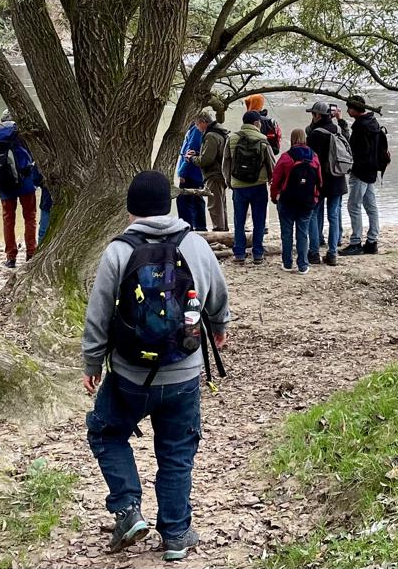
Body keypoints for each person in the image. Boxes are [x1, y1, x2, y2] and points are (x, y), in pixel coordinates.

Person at [81, 171, 230, 561]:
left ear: (132, 209)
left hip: (129, 373)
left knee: (106, 432)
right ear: (169, 205)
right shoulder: (195, 244)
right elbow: (217, 296)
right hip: (184, 372)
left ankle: (128, 510)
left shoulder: (118, 250)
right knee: (177, 452)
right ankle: (177, 535)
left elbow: (98, 313)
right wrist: (220, 328)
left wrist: (92, 361)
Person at [222, 110, 276, 265]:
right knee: (259, 220)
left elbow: (226, 162)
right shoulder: (263, 139)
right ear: (256, 123)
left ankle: (239, 253)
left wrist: (229, 182)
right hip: (258, 186)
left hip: (238, 186)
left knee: (239, 221)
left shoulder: (232, 138)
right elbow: (271, 164)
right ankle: (257, 253)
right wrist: (272, 181)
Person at [0, 111, 42, 268]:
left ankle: (11, 257)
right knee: (30, 217)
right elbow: (33, 156)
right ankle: (31, 253)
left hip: (3, 183)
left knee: (8, 220)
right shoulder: (21, 133)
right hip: (25, 182)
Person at [340, 95, 388, 257]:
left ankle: (355, 242)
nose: (347, 111)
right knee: (371, 206)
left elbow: (354, 150)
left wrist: (353, 167)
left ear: (354, 109)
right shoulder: (373, 123)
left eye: (349, 108)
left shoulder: (360, 127)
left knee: (353, 206)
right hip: (372, 170)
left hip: (361, 171)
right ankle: (372, 241)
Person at [270, 127, 321, 273]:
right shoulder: (314, 157)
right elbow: (320, 181)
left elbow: (276, 179)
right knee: (302, 233)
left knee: (286, 234)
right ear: (305, 139)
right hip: (307, 202)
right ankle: (303, 265)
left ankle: (287, 264)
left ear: (292, 139)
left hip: (287, 201)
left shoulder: (286, 157)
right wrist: (315, 197)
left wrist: (275, 197)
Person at [304, 101, 348, 266]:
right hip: (337, 178)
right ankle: (332, 253)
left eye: (312, 114)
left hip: (320, 181)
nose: (311, 117)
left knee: (314, 215)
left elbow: (310, 160)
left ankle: (314, 253)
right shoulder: (337, 130)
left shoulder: (315, 134)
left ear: (317, 115)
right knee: (334, 215)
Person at [195, 108, 230, 232]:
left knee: (214, 205)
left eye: (197, 124)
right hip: (222, 173)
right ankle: (224, 229)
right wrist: (198, 154)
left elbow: (206, 160)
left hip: (214, 174)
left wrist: (193, 159)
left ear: (204, 122)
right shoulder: (220, 132)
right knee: (221, 204)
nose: (197, 127)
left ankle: (218, 230)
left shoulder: (210, 136)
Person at [174, 113, 209, 231]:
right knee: (198, 198)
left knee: (183, 199)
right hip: (198, 173)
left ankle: (186, 228)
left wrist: (182, 172)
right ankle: (201, 227)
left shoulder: (195, 131)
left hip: (191, 172)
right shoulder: (200, 131)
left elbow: (189, 153)